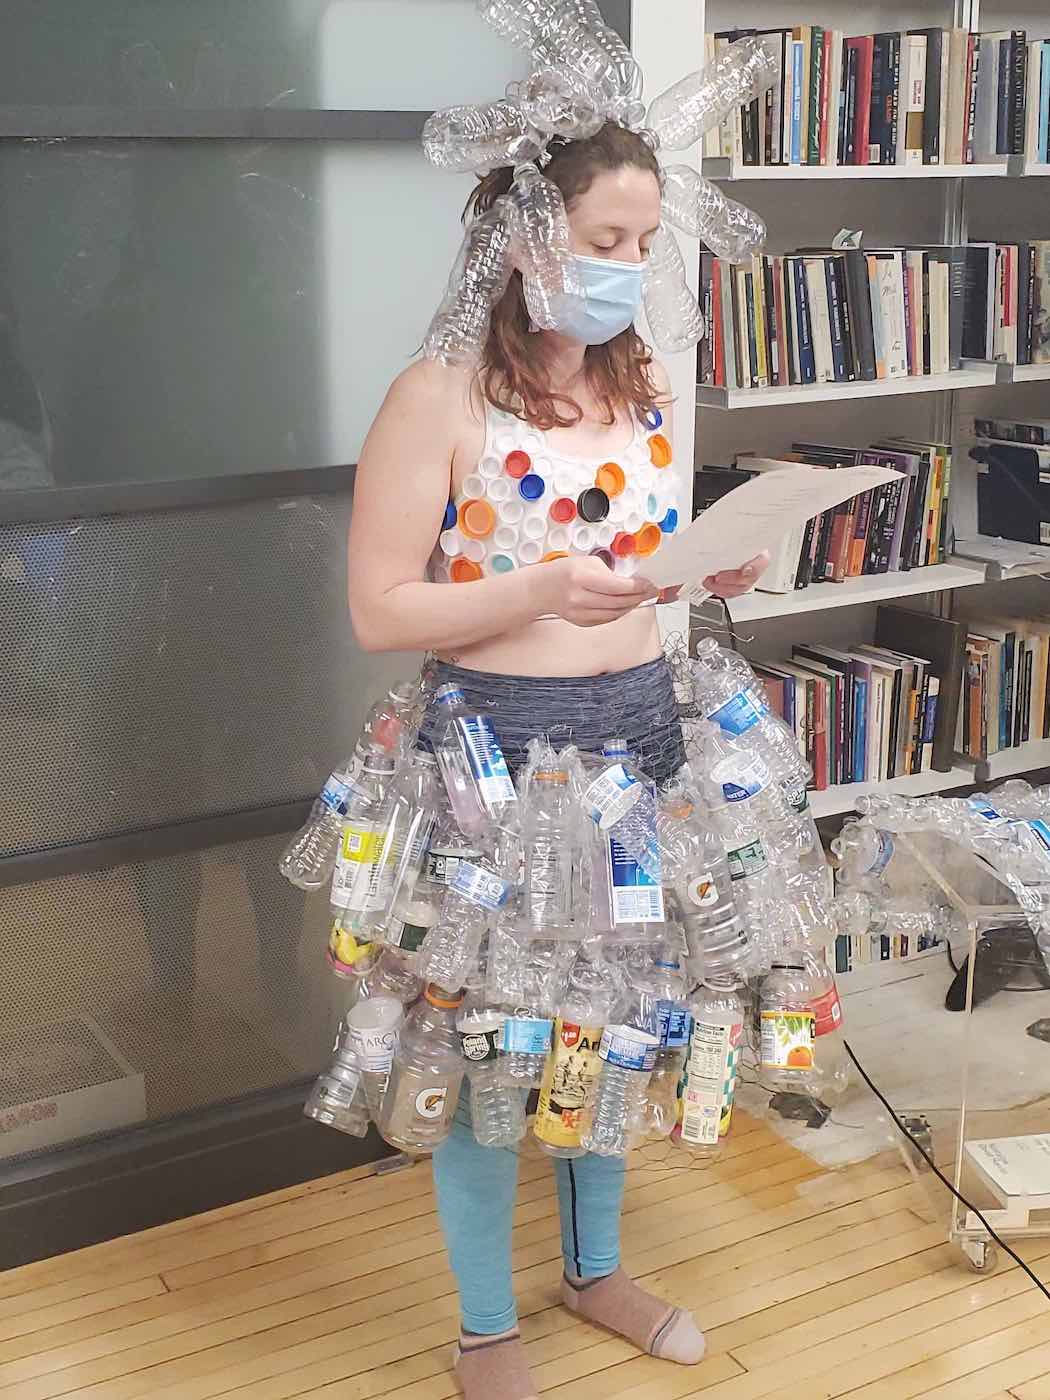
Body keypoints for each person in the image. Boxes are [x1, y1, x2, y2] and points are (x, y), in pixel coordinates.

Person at [348, 123, 768, 1400]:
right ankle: (486, 1327)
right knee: (481, 1043)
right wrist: (535, 588)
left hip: (640, 742)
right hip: (493, 760)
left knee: (620, 1024)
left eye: (643, 243)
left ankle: (596, 1270)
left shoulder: (647, 387)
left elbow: (640, 568)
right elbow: (378, 609)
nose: (626, 266)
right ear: (526, 239)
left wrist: (706, 570)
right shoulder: (437, 396)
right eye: (603, 240)